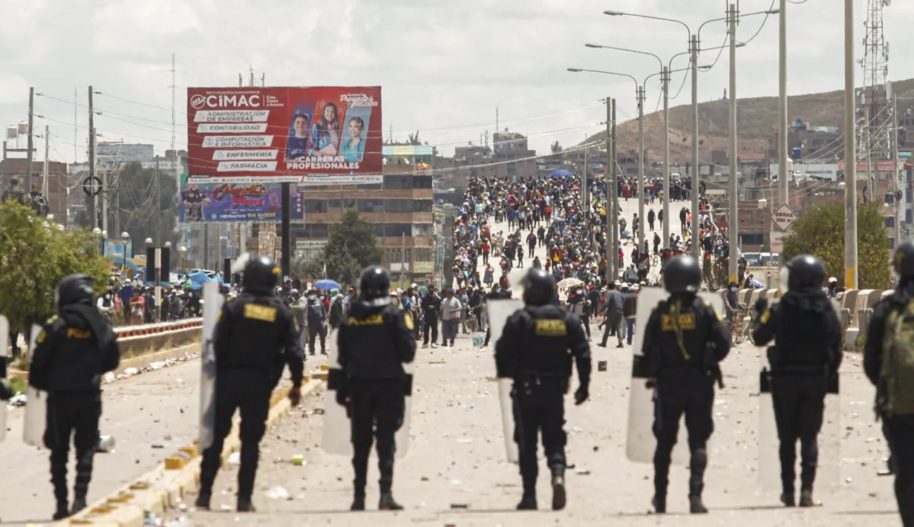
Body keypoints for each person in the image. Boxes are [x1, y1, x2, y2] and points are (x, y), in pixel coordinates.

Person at [196, 256, 303, 512]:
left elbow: (216, 343)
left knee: (215, 437)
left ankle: (204, 495)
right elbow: (295, 352)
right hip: (259, 384)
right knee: (251, 442)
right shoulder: (282, 313)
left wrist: (215, 374)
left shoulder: (233, 308)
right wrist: (296, 384)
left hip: (228, 381)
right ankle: (244, 499)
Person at [495, 269, 591, 510]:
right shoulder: (565, 319)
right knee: (554, 437)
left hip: (526, 389)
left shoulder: (520, 319)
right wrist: (584, 386)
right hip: (554, 389)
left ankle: (529, 495)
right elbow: (583, 352)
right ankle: (558, 473)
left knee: (527, 442)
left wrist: (509, 376)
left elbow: (502, 352)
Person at [751, 255, 842, 507]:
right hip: (815, 379)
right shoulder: (826, 309)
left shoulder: (781, 308)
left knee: (787, 439)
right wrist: (826, 375)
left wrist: (760, 315)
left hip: (784, 379)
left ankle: (789, 492)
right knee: (810, 437)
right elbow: (837, 348)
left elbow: (759, 338)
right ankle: (807, 492)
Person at [642, 255, 730, 514]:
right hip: (699, 382)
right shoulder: (704, 310)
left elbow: (647, 352)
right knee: (698, 442)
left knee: (664, 442)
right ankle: (695, 496)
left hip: (668, 384)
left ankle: (660, 499)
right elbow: (724, 343)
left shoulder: (660, 313)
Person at [28, 275, 120, 520]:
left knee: (58, 451)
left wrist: (43, 385)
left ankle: (61, 505)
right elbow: (113, 359)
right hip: (89, 396)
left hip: (59, 399)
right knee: (86, 449)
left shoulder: (56, 325)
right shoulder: (99, 325)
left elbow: (37, 363)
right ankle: (80, 499)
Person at [337, 266, 416, 511]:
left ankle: (359, 496)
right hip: (389, 385)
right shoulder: (394, 315)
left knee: (360, 443)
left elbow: (342, 357)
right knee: (386, 440)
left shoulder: (351, 317)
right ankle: (385, 494)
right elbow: (408, 352)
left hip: (358, 384)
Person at [864, 241, 914, 527]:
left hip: (899, 405)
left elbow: (872, 362)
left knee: (905, 470)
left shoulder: (887, 308)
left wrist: (887, 387)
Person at [599, 281, 625, 348]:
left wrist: (602, 309)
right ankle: (621, 343)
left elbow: (607, 302)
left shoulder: (609, 292)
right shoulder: (619, 293)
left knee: (608, 328)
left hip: (612, 311)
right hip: (620, 311)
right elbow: (623, 301)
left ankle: (603, 343)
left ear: (608, 287)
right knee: (618, 327)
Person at [306, 290, 328, 355]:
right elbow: (305, 313)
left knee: (322, 337)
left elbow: (323, 310)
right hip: (312, 323)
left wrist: (325, 320)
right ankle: (312, 351)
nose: (312, 295)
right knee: (312, 338)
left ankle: (323, 350)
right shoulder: (307, 303)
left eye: (312, 293)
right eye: (310, 294)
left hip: (320, 322)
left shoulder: (319, 301)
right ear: (308, 295)